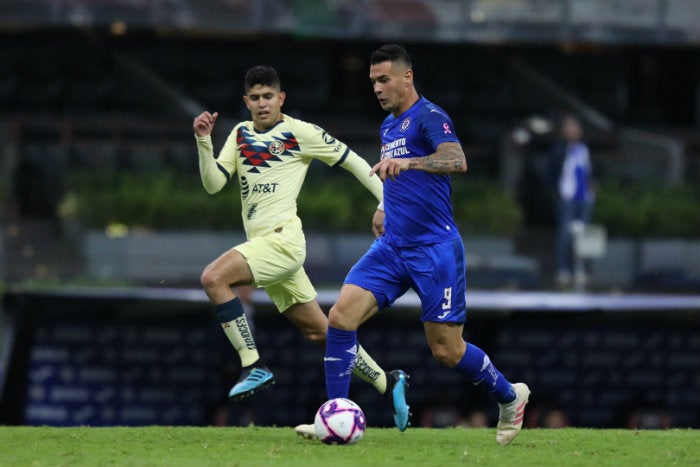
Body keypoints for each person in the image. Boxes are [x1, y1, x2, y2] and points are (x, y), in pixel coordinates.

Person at [312, 44, 530, 445]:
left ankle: (509, 397)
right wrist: (383, 206)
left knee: (446, 351)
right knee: (340, 318)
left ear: (406, 77)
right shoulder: (388, 126)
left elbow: (456, 160)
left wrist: (412, 162)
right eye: (373, 81)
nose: (377, 88)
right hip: (392, 246)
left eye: (384, 80)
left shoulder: (430, 116)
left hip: (435, 250)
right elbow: (399, 181)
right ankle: (334, 418)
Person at [193, 65, 408, 429]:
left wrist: (385, 205)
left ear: (281, 98)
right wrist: (203, 142)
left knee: (214, 278)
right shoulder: (240, 134)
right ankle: (390, 383)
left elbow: (357, 164)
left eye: (269, 97)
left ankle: (253, 365)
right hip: (263, 245)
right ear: (246, 101)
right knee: (322, 333)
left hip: (283, 241)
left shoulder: (300, 132)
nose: (263, 104)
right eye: (255, 98)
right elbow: (214, 184)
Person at [549, 114, 595, 289]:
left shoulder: (584, 149)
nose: (572, 130)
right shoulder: (559, 149)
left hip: (585, 198)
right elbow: (552, 173)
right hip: (567, 198)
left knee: (585, 234)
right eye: (569, 127)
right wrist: (556, 192)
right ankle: (564, 270)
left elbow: (589, 171)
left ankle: (583, 270)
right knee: (565, 234)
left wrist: (592, 187)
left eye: (575, 126)